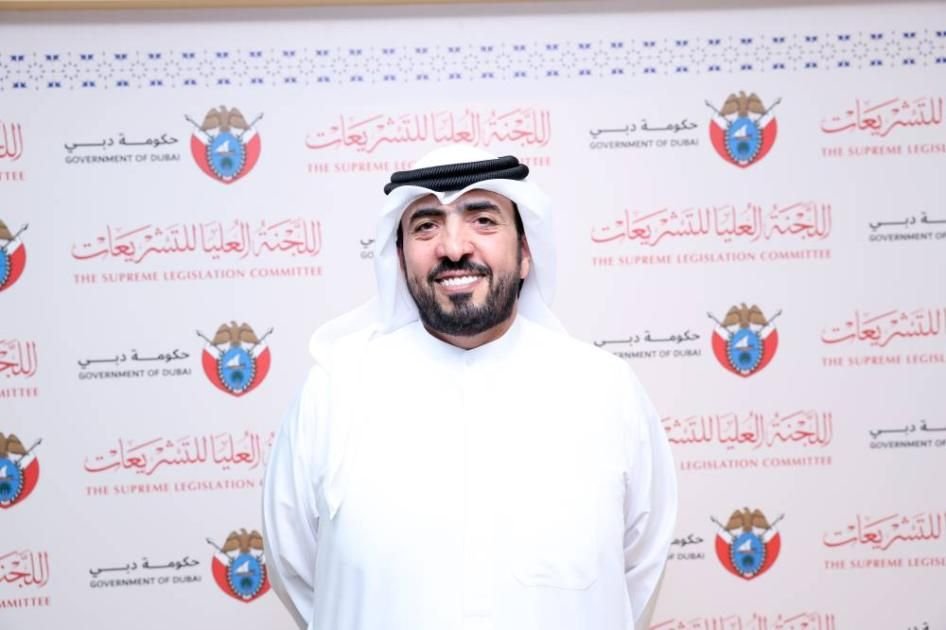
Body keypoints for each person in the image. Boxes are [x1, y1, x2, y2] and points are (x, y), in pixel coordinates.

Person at [262, 146, 677, 630]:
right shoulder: (335, 391)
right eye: (426, 226)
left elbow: (638, 572)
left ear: (526, 253)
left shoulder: (604, 390)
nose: (454, 247)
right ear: (399, 258)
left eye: (483, 220)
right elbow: (298, 572)